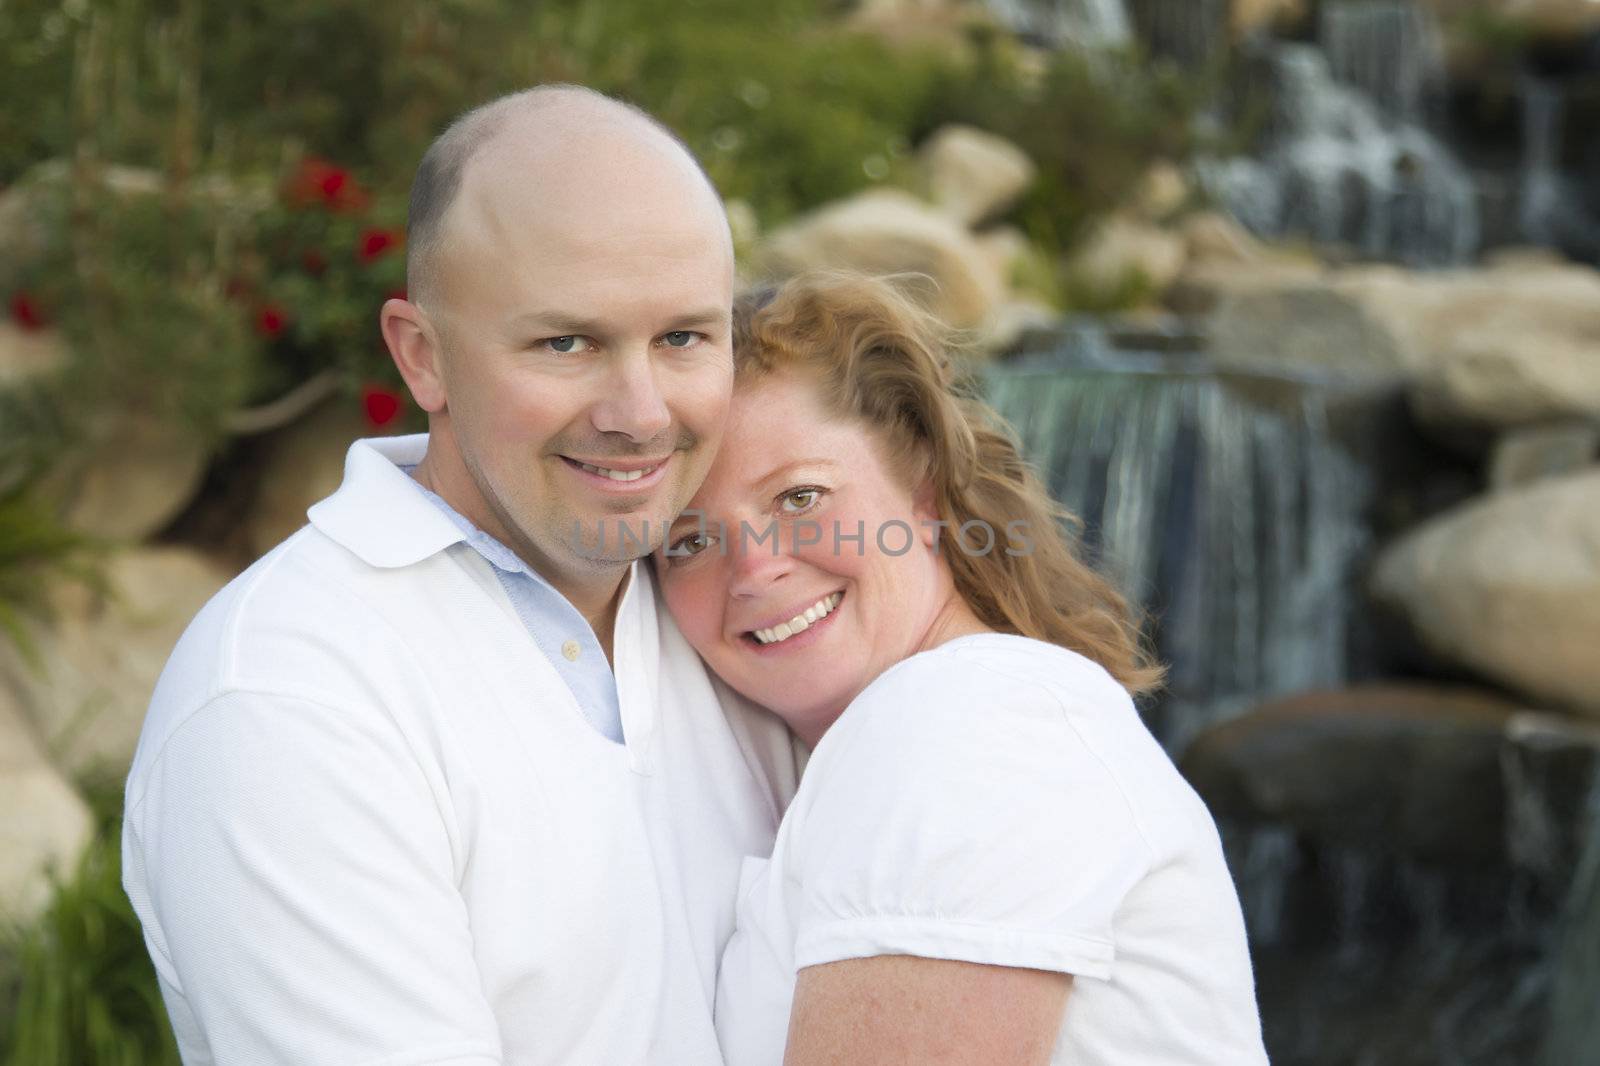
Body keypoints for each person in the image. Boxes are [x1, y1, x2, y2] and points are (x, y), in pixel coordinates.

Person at [121, 85, 800, 1065]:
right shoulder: (288, 694)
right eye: (566, 342)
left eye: (683, 338)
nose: (640, 412)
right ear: (422, 357)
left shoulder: (745, 614)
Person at [654, 273, 1270, 1065]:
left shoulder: (962, 717)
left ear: (926, 491)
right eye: (689, 541)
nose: (752, 569)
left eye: (801, 497)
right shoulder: (943, 723)